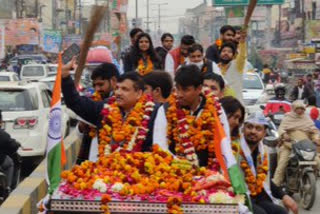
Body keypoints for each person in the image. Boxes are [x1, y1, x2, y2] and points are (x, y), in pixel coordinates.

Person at [62, 59, 159, 155]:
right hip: (106, 167)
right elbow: (75, 102)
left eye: (125, 89)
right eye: (117, 88)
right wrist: (65, 76)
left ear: (139, 93)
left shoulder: (154, 113)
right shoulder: (104, 109)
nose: (118, 93)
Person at [153, 65, 226, 167]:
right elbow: (159, 146)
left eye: (185, 90)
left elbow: (224, 144)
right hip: (174, 173)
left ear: (199, 89)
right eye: (177, 89)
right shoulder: (166, 109)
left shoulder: (216, 109)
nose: (179, 94)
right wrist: (183, 166)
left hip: (209, 174)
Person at [240, 113, 298, 214]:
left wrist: (283, 195)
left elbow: (265, 180)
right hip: (241, 198)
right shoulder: (236, 151)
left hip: (259, 198)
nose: (253, 131)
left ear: (264, 133)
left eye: (258, 129)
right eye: (249, 127)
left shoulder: (263, 152)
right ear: (243, 129)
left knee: (281, 212)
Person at [76, 63, 119, 163]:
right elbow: (80, 135)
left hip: (113, 161)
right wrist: (82, 127)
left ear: (113, 81)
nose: (97, 89)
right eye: (94, 85)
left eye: (101, 84)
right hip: (92, 158)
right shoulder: (93, 101)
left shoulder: (122, 102)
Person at [273, 100, 320, 187]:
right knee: (282, 164)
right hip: (289, 145)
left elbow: (314, 131)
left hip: (305, 147)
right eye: (298, 108)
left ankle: (313, 177)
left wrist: (316, 138)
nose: (300, 110)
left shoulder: (307, 119)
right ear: (294, 109)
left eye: (302, 108)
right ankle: (275, 186)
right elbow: (281, 129)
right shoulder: (288, 118)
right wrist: (284, 134)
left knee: (317, 161)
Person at [214, 29, 247, 103]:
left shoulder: (237, 65)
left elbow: (242, 56)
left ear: (233, 55)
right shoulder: (215, 68)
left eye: (229, 52)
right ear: (220, 53)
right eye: (224, 51)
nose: (226, 53)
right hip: (219, 105)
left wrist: (242, 42)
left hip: (236, 104)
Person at [0, 110, 21, 193]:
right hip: (1, 160)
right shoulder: (3, 134)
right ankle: (7, 188)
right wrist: (17, 144)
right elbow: (13, 145)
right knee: (10, 163)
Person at [220, 97, 245, 162]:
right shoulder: (207, 137)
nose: (237, 122)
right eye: (235, 117)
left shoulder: (236, 143)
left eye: (239, 119)